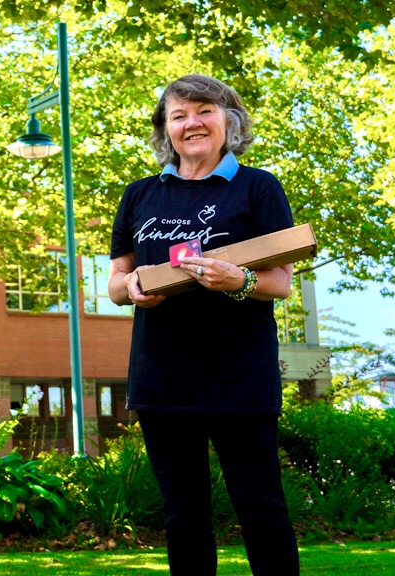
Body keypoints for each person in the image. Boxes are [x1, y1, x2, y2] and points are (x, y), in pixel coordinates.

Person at [108, 74, 300, 576]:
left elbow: (280, 281)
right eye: (178, 115)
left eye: (205, 110)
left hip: (239, 375)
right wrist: (131, 290)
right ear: (165, 130)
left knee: (260, 508)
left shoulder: (258, 186)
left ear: (228, 121)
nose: (192, 122)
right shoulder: (139, 195)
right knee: (183, 514)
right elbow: (114, 281)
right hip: (161, 376)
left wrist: (237, 280)